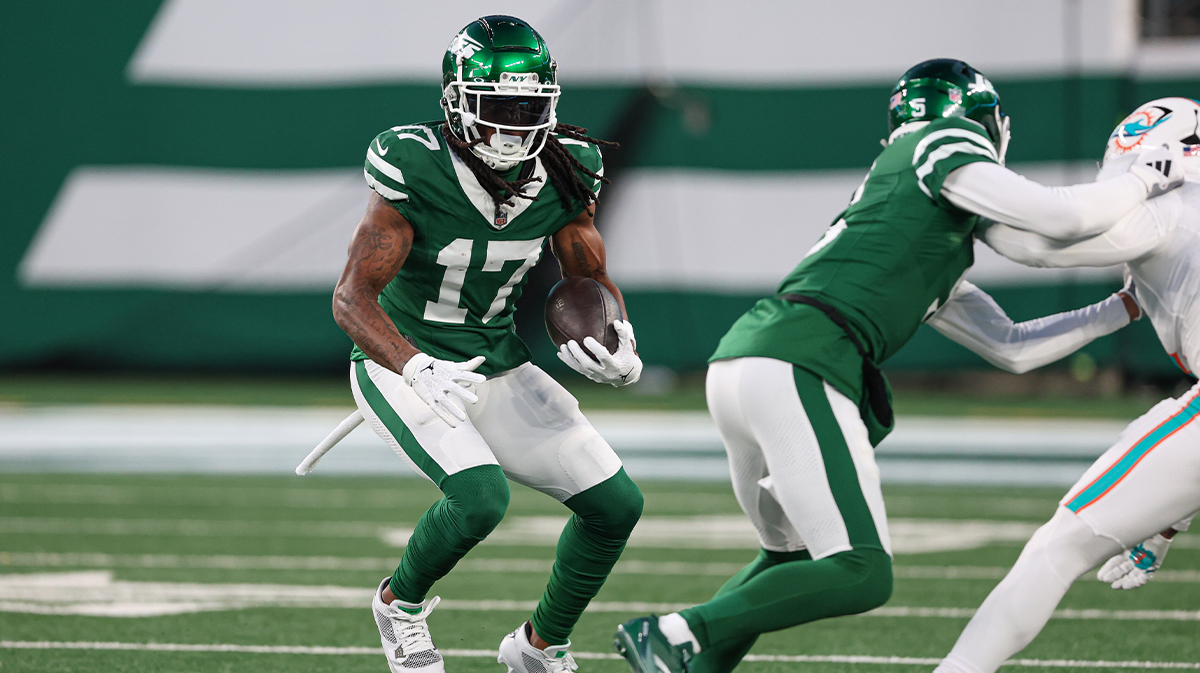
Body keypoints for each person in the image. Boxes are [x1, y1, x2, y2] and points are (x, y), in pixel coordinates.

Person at [611, 59, 1184, 673]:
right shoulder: (941, 140)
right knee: (862, 572)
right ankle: (674, 630)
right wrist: (1144, 180)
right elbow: (1061, 218)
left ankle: (690, 659)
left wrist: (1124, 306)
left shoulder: (912, 218)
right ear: (982, 122)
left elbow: (1014, 346)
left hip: (748, 362)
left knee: (790, 559)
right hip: (800, 359)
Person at [331, 15, 645, 673]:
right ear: (456, 104)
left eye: (528, 107)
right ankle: (399, 602)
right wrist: (415, 366)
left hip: (496, 360)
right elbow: (351, 298)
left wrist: (618, 337)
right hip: (401, 357)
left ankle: (538, 646)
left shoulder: (566, 165)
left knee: (616, 505)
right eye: (497, 107)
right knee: (480, 497)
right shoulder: (414, 162)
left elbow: (586, 277)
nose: (514, 124)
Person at [935, 97, 1200, 673]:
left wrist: (951, 203)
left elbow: (1034, 243)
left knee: (1056, 550)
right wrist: (1170, 517)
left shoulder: (1168, 203)